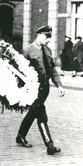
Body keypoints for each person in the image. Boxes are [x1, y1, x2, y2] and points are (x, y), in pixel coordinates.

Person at [16, 25, 65, 155]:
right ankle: (49, 145)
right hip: (33, 89)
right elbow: (19, 71)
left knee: (33, 112)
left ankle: (20, 136)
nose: (48, 39)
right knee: (41, 114)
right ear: (38, 35)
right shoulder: (27, 51)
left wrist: (59, 85)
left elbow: (52, 69)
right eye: (46, 36)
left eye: (49, 37)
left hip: (45, 88)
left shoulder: (47, 51)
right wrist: (24, 89)